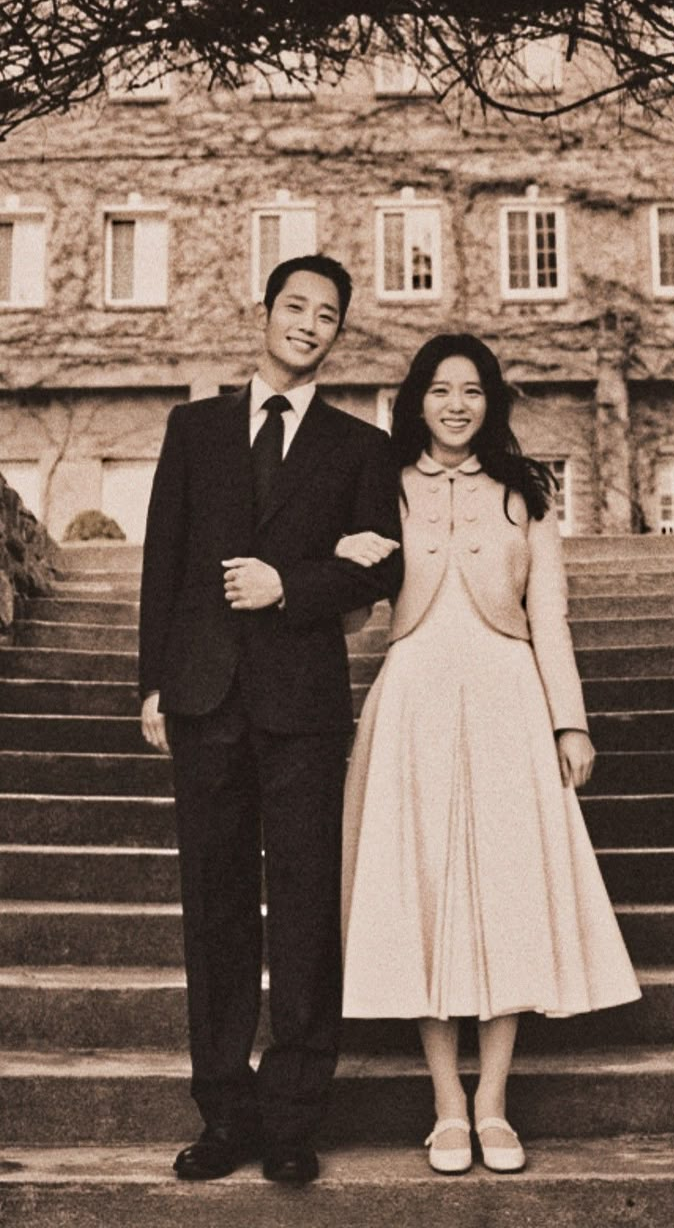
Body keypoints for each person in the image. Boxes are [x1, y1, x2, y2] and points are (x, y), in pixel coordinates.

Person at [339, 333, 640, 1176]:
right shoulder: (383, 484)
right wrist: (335, 558)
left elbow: (550, 616)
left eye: (471, 391)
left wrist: (568, 723)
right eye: (440, 391)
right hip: (414, 696)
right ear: (417, 402)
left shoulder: (525, 493)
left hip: (509, 697)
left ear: (490, 400)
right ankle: (445, 1107)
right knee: (422, 891)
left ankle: (494, 1106)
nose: (456, 406)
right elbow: (354, 613)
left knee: (506, 893)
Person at [138, 255, 402, 1185]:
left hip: (302, 710)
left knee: (301, 912)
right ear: (267, 313)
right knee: (212, 912)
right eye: (296, 306)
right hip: (204, 698)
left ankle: (292, 1118)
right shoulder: (193, 427)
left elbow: (381, 571)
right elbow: (162, 562)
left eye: (327, 315)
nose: (309, 325)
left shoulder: (359, 446)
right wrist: (151, 685)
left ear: (338, 333)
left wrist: (293, 583)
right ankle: (225, 1113)